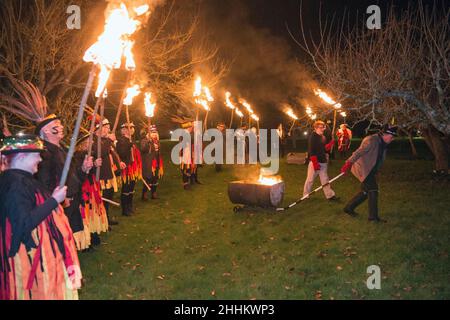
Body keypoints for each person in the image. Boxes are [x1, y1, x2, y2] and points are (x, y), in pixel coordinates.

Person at [0, 134, 81, 300]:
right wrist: (53, 201)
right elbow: (23, 224)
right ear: (22, 157)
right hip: (28, 260)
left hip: (38, 256)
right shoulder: (16, 184)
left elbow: (32, 206)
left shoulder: (22, 179)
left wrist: (51, 200)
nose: (40, 158)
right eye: (36, 154)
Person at [35, 114, 94, 251]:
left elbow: (73, 179)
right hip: (59, 207)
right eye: (56, 124)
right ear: (46, 130)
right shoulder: (44, 153)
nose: (61, 126)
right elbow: (44, 184)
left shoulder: (62, 150)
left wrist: (84, 169)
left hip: (72, 202)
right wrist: (57, 201)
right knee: (59, 245)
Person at [341, 125, 398, 223]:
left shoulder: (383, 143)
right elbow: (358, 152)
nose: (392, 139)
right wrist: (348, 163)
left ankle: (349, 208)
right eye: (391, 137)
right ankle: (373, 218)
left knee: (366, 192)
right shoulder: (371, 140)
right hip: (362, 168)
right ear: (385, 134)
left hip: (370, 170)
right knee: (373, 190)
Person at [92, 118, 125, 225]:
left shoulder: (105, 140)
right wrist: (109, 140)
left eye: (109, 128)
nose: (108, 130)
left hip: (109, 174)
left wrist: (118, 162)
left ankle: (107, 218)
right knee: (103, 199)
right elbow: (100, 152)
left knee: (108, 197)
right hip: (101, 176)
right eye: (106, 127)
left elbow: (113, 153)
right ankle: (102, 221)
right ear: (98, 128)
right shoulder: (94, 139)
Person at [303, 120, 338, 201]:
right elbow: (312, 151)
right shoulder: (313, 137)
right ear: (315, 128)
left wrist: (331, 144)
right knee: (310, 180)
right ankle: (305, 195)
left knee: (325, 180)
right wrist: (315, 164)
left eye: (323, 127)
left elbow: (324, 148)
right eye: (321, 127)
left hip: (323, 162)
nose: (323, 129)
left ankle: (330, 195)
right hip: (315, 162)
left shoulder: (323, 137)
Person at [116, 122, 141, 216]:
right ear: (124, 130)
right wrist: (128, 145)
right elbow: (121, 153)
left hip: (133, 168)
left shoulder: (131, 140)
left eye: (132, 128)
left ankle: (130, 206)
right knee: (126, 188)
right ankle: (125, 209)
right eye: (130, 128)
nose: (132, 129)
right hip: (126, 168)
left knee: (131, 188)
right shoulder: (121, 140)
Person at [140, 125, 164, 200]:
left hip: (156, 162)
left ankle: (154, 193)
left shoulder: (157, 141)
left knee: (155, 178)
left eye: (155, 132)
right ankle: (144, 194)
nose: (154, 134)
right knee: (148, 178)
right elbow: (143, 149)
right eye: (152, 132)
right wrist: (148, 141)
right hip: (148, 163)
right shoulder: (145, 140)